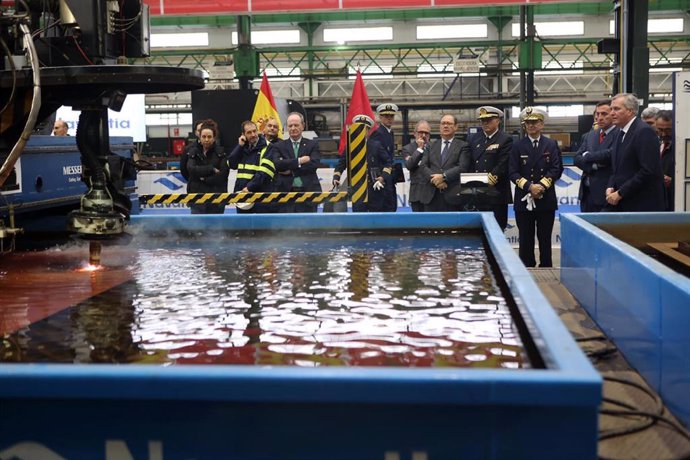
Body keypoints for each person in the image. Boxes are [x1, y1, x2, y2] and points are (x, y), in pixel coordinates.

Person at [509, 107, 563, 268]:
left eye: (535, 122)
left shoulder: (551, 144)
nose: (531, 125)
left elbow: (556, 169)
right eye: (528, 123)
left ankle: (546, 267)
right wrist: (529, 187)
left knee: (545, 237)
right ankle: (527, 267)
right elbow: (512, 172)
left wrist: (541, 186)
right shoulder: (517, 146)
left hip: (545, 198)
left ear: (542, 124)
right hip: (524, 199)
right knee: (525, 237)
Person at [606, 93, 665, 212]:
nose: (612, 113)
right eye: (611, 109)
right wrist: (611, 186)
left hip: (642, 204)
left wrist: (621, 192)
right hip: (623, 202)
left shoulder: (644, 132)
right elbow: (617, 167)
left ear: (630, 111)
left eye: (616, 109)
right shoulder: (619, 132)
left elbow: (648, 171)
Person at [460, 106, 513, 230]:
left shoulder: (505, 139)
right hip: (476, 193)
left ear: (498, 120)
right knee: (477, 230)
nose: (485, 123)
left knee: (497, 229)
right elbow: (469, 163)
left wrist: (491, 177)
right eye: (482, 120)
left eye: (489, 119)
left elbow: (503, 163)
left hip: (496, 192)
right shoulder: (473, 139)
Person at [333, 114, 392, 212]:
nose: (361, 131)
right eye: (358, 128)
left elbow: (388, 163)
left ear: (368, 131)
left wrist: (382, 177)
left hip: (374, 188)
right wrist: (336, 177)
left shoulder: (376, 145)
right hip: (357, 190)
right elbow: (340, 165)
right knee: (358, 218)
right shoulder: (350, 147)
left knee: (376, 218)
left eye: (364, 129)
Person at [573, 100, 618, 212]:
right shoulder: (591, 135)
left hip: (607, 193)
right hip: (586, 194)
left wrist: (588, 156)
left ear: (613, 114)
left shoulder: (619, 134)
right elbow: (577, 158)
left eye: (604, 114)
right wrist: (594, 166)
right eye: (597, 114)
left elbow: (611, 154)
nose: (600, 118)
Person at [418, 114, 469, 212]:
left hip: (453, 195)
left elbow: (462, 167)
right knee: (430, 226)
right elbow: (423, 166)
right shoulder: (430, 145)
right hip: (431, 196)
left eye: (449, 123)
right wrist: (436, 180)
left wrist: (443, 176)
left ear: (456, 127)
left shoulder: (463, 146)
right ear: (440, 126)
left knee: (452, 226)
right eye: (443, 123)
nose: (445, 126)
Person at [274, 112, 322, 213]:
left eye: (296, 125)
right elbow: (278, 165)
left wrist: (291, 171)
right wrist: (300, 161)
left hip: (308, 194)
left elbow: (314, 164)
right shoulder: (279, 146)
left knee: (309, 227)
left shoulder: (312, 144)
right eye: (290, 125)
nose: (293, 128)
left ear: (303, 126)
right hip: (285, 195)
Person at [227, 120, 278, 214]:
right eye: (249, 132)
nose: (253, 134)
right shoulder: (242, 147)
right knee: (243, 227)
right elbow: (231, 164)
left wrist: (249, 187)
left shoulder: (269, 147)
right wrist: (239, 146)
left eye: (254, 131)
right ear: (243, 134)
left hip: (261, 196)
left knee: (262, 228)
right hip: (243, 198)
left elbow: (265, 172)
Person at [186, 123, 229, 214]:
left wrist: (203, 178)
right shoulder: (192, 151)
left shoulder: (221, 152)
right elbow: (191, 169)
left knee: (217, 227)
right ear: (199, 137)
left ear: (214, 138)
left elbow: (223, 175)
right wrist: (211, 169)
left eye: (209, 137)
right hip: (196, 199)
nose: (206, 139)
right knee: (197, 227)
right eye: (204, 136)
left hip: (216, 199)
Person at [370, 103, 399, 212]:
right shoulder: (378, 133)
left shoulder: (389, 133)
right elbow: (377, 158)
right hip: (381, 177)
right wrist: (382, 176)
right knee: (384, 207)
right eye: (386, 116)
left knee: (391, 206)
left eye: (391, 116)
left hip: (388, 175)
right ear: (380, 117)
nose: (389, 119)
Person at [403, 120, 432, 212]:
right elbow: (409, 165)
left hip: (432, 192)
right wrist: (419, 149)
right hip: (417, 193)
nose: (423, 135)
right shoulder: (408, 148)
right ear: (414, 133)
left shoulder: (435, 147)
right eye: (420, 132)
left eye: (426, 133)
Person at [655, 110, 674, 211]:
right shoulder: (656, 143)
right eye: (660, 130)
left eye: (668, 130)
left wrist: (673, 181)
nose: (663, 134)